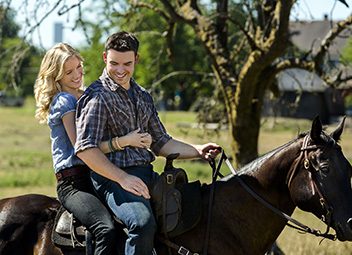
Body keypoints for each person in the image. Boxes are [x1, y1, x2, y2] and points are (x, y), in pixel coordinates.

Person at [75, 31, 220, 255]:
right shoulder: (97, 97)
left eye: (127, 63)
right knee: (142, 224)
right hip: (111, 177)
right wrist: (123, 178)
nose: (120, 70)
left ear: (136, 60)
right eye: (114, 63)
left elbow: (162, 142)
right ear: (105, 58)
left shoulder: (142, 95)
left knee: (193, 208)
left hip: (145, 173)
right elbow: (85, 150)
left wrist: (198, 151)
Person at [34, 42, 152, 255]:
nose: (76, 74)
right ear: (56, 75)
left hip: (96, 175)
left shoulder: (87, 95)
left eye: (79, 67)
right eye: (68, 72)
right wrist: (125, 141)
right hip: (73, 183)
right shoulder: (64, 101)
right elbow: (83, 146)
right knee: (104, 228)